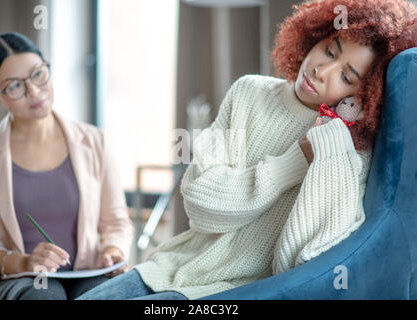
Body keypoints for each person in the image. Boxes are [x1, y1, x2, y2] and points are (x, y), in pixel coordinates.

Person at [76, 0, 416, 300]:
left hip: (234, 293)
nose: (320, 70)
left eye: (346, 76)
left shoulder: (349, 154)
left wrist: (332, 146)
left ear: (364, 97)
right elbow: (200, 202)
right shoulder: (248, 92)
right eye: (329, 51)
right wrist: (294, 162)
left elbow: (305, 260)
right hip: (170, 267)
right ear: (316, 36)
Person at [0, 32, 134, 300]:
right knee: (45, 293)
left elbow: (116, 221)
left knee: (103, 295)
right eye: (14, 86)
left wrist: (112, 251)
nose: (34, 91)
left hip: (86, 272)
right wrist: (25, 262)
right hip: (16, 279)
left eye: (38, 75)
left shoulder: (94, 141)